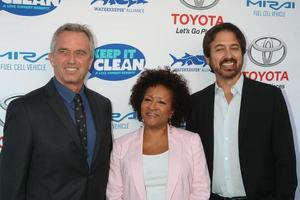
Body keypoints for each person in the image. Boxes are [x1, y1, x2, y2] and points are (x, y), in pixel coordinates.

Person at [0, 23, 112, 200]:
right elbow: (10, 183)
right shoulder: (24, 109)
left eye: (80, 53)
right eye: (64, 51)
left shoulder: (102, 105)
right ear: (51, 58)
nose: (72, 60)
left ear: (90, 61)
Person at [186, 22, 298, 200]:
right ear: (207, 57)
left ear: (243, 53)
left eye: (234, 48)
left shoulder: (270, 97)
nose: (228, 55)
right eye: (220, 49)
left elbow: (286, 162)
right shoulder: (195, 103)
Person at [106, 68, 210, 200]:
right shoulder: (121, 145)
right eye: (148, 99)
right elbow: (114, 193)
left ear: (172, 111)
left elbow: (201, 190)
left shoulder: (191, 141)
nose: (152, 106)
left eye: (161, 102)